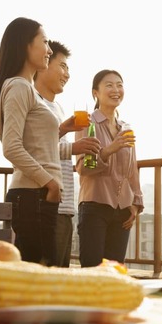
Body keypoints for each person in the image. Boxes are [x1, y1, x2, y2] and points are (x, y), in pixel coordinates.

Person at [0, 17, 76, 266]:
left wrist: (59, 131)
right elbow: (11, 147)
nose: (48, 49)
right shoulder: (18, 86)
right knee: (40, 275)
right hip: (33, 195)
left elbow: (33, 142)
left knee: (44, 274)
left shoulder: (26, 88)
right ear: (26, 45)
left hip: (38, 195)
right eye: (44, 42)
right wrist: (51, 183)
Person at [33, 40, 101, 267]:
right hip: (46, 201)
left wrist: (64, 131)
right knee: (47, 272)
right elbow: (35, 148)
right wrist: (74, 148)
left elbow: (49, 145)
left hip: (64, 204)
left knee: (60, 268)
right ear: (44, 64)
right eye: (62, 66)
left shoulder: (57, 108)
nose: (67, 74)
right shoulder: (34, 102)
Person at [75, 69, 144, 267]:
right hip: (94, 206)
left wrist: (136, 203)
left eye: (120, 85)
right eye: (109, 85)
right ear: (95, 93)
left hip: (122, 210)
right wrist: (109, 150)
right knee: (92, 272)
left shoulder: (126, 128)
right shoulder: (86, 123)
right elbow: (83, 168)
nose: (116, 90)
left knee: (115, 273)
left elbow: (132, 169)